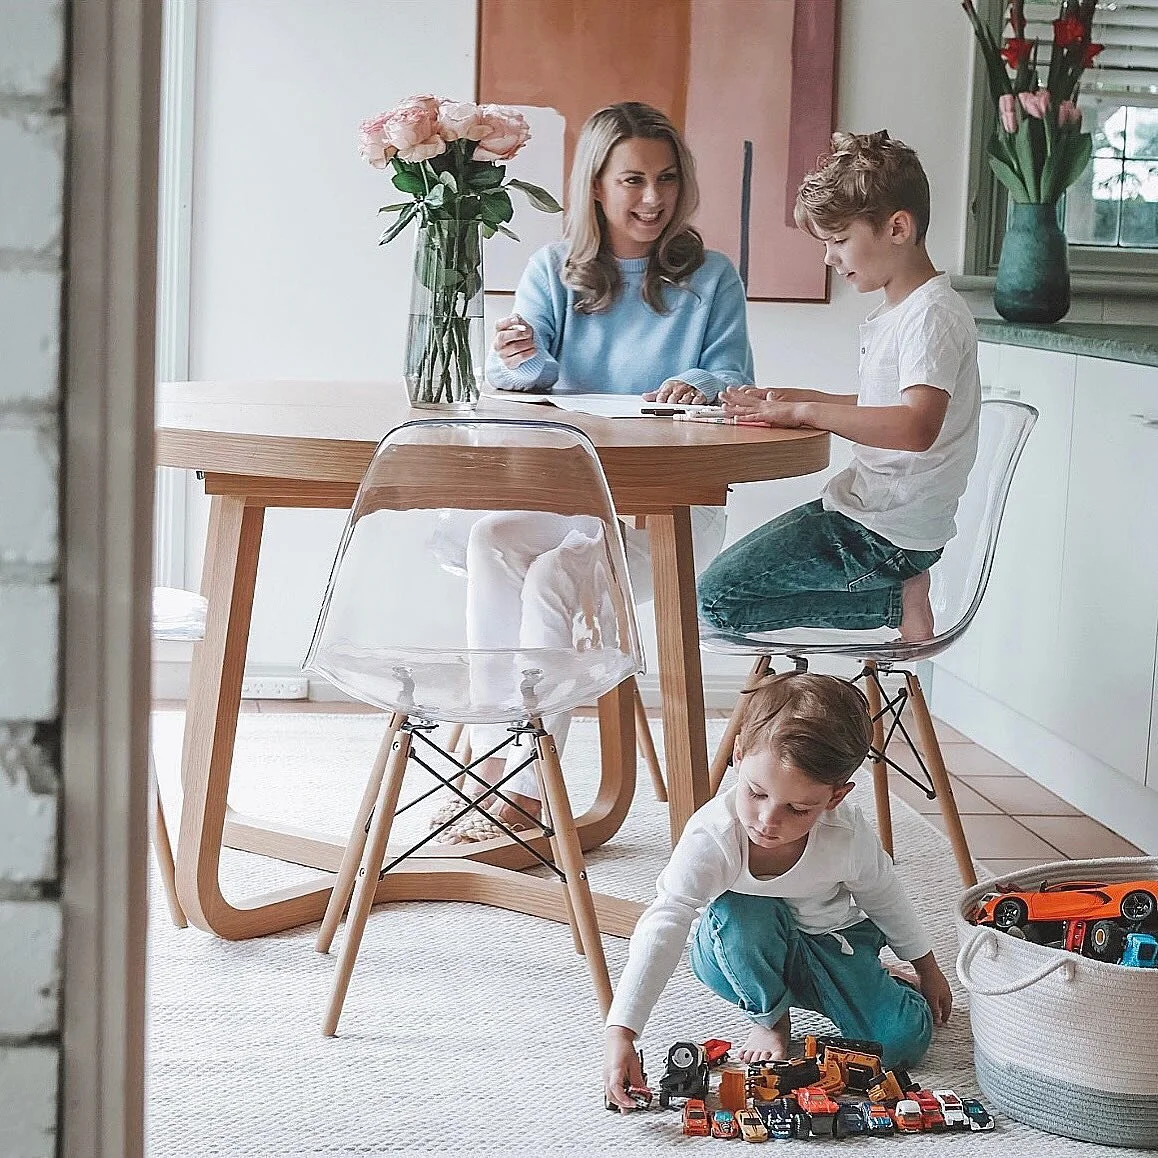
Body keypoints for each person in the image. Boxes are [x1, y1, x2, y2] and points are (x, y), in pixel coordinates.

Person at [432, 102, 754, 844]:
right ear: (598, 187)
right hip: (570, 497)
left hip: (664, 516)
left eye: (667, 179)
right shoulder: (554, 270)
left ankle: (521, 786)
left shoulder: (710, 278)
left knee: (554, 575)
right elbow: (528, 377)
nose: (653, 198)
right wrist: (519, 356)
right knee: (493, 538)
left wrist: (699, 383)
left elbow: (733, 374)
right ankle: (502, 766)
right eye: (634, 179)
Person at [603, 673, 953, 1111]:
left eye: (798, 808)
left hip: (830, 943)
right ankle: (771, 1018)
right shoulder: (713, 836)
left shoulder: (846, 836)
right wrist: (623, 1031)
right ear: (738, 756)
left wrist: (926, 964)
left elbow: (885, 896)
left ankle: (878, 983)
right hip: (743, 950)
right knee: (742, 910)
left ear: (835, 797)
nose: (769, 820)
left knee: (899, 1046)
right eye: (756, 792)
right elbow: (667, 918)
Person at [697, 130, 980, 644]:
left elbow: (915, 426)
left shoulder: (931, 316)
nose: (829, 257)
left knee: (715, 600)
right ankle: (897, 592)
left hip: (886, 533)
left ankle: (896, 598)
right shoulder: (902, 313)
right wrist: (789, 401)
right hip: (868, 512)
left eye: (839, 240)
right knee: (711, 595)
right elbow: (884, 410)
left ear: (897, 227)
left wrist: (806, 411)